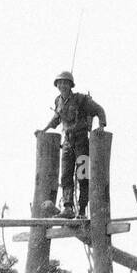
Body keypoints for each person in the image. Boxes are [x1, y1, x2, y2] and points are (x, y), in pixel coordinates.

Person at [36, 71, 106, 218]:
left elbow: (99, 110)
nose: (62, 85)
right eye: (60, 83)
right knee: (66, 176)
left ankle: (81, 210)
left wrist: (101, 126)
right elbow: (56, 119)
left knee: (83, 175)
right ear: (57, 85)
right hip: (67, 142)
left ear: (70, 85)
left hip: (81, 141)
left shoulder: (81, 100)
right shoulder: (58, 101)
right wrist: (44, 129)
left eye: (66, 83)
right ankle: (68, 208)